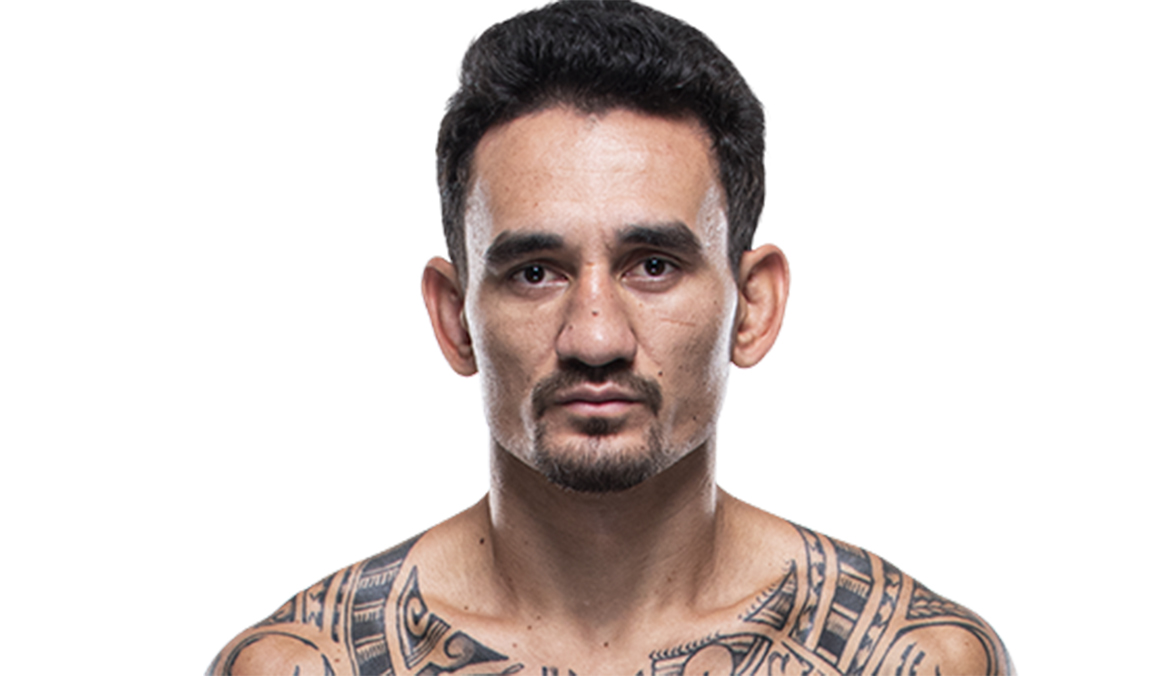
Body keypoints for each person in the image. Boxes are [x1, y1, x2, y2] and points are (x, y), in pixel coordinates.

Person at [208, 2, 1012, 674]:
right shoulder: (308, 666)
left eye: (653, 266)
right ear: (454, 317)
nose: (595, 336)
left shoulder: (908, 661)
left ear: (753, 305)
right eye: (536, 272)